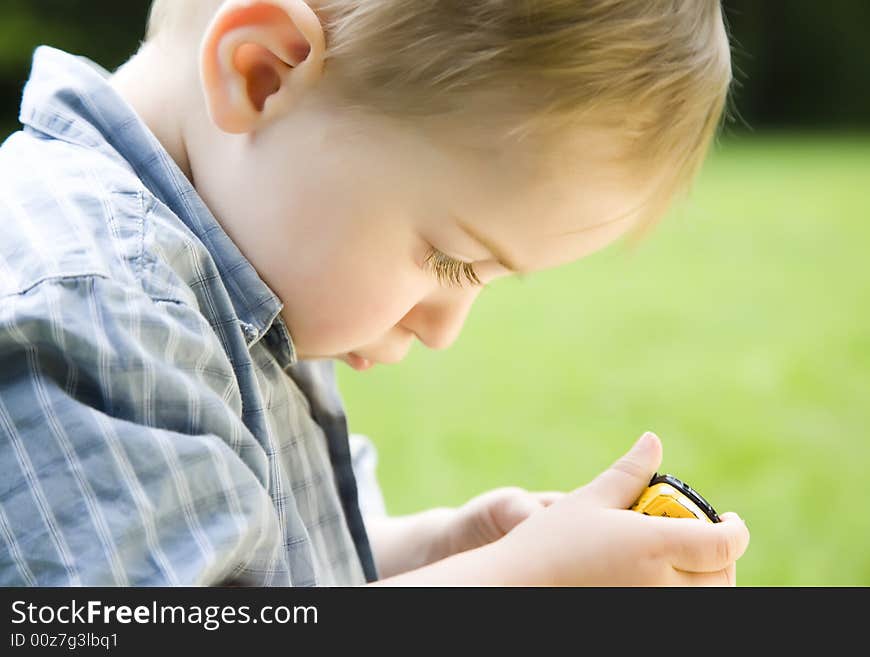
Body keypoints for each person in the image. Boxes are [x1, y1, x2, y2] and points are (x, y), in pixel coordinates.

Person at [0, 0, 749, 586]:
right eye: (452, 259)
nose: (446, 328)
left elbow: (261, 568)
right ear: (261, 73)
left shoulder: (247, 270)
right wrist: (519, 583)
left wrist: (442, 549)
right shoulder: (92, 301)